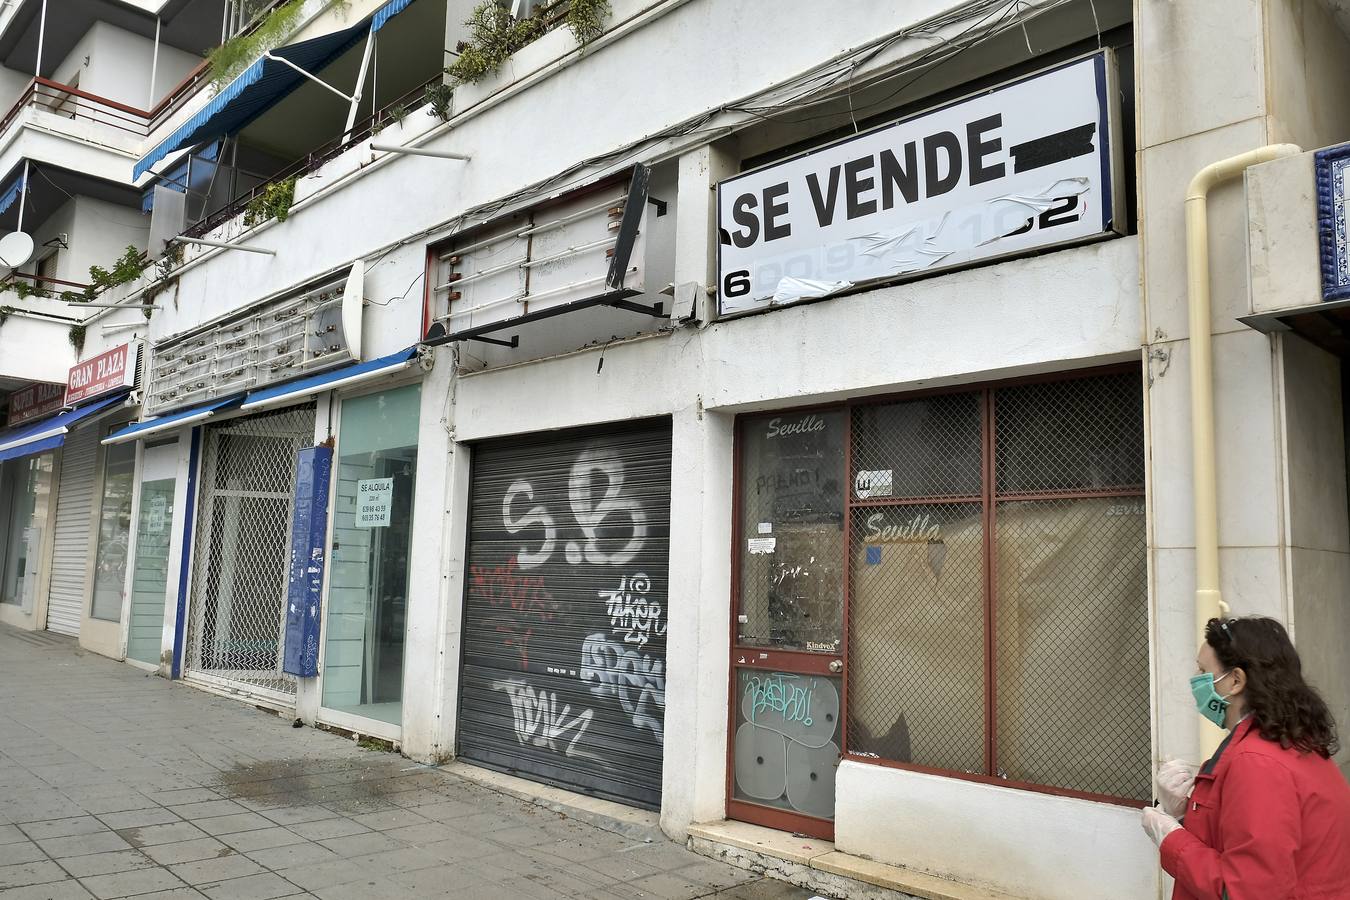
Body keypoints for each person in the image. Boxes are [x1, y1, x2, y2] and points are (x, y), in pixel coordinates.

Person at [1140, 616, 1350, 899]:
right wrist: (1184, 814)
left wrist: (1171, 838)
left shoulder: (1257, 762)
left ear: (1236, 680)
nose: (1195, 682)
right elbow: (1247, 840)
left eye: (1203, 671)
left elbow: (1246, 890)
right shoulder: (1292, 742)